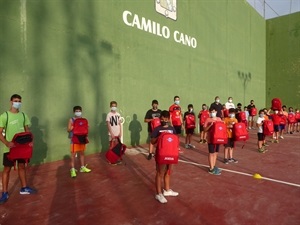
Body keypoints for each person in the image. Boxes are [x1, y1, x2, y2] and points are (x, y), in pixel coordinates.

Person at [0, 94, 36, 204]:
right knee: (7, 169)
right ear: (11, 101)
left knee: (21, 166)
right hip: (10, 149)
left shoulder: (24, 115)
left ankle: (24, 188)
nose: (17, 102)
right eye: (16, 100)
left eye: (19, 101)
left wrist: (30, 142)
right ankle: (5, 192)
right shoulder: (4, 116)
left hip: (22, 148)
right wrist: (6, 142)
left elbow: (27, 131)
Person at [151, 110, 179, 204]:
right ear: (160, 118)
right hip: (161, 154)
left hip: (170, 153)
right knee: (160, 173)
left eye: (166, 118)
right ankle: (158, 193)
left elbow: (175, 140)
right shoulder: (157, 129)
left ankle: (166, 190)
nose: (164, 119)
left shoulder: (172, 129)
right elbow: (152, 141)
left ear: (168, 118)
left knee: (168, 171)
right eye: (163, 118)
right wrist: (158, 137)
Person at [67, 106, 91, 178]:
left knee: (82, 153)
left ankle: (82, 167)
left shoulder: (83, 120)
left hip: (82, 138)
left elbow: (86, 128)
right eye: (76, 111)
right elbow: (68, 130)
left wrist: (86, 135)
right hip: (74, 139)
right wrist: (72, 127)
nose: (78, 112)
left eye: (79, 111)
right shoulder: (71, 120)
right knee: (73, 155)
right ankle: (73, 169)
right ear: (74, 112)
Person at [203, 107, 223, 175]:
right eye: (211, 112)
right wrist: (210, 125)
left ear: (216, 112)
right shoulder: (208, 119)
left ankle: (214, 166)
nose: (212, 113)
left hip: (218, 138)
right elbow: (205, 130)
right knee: (211, 153)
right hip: (211, 139)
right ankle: (211, 168)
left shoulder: (219, 119)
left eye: (214, 111)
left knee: (216, 153)